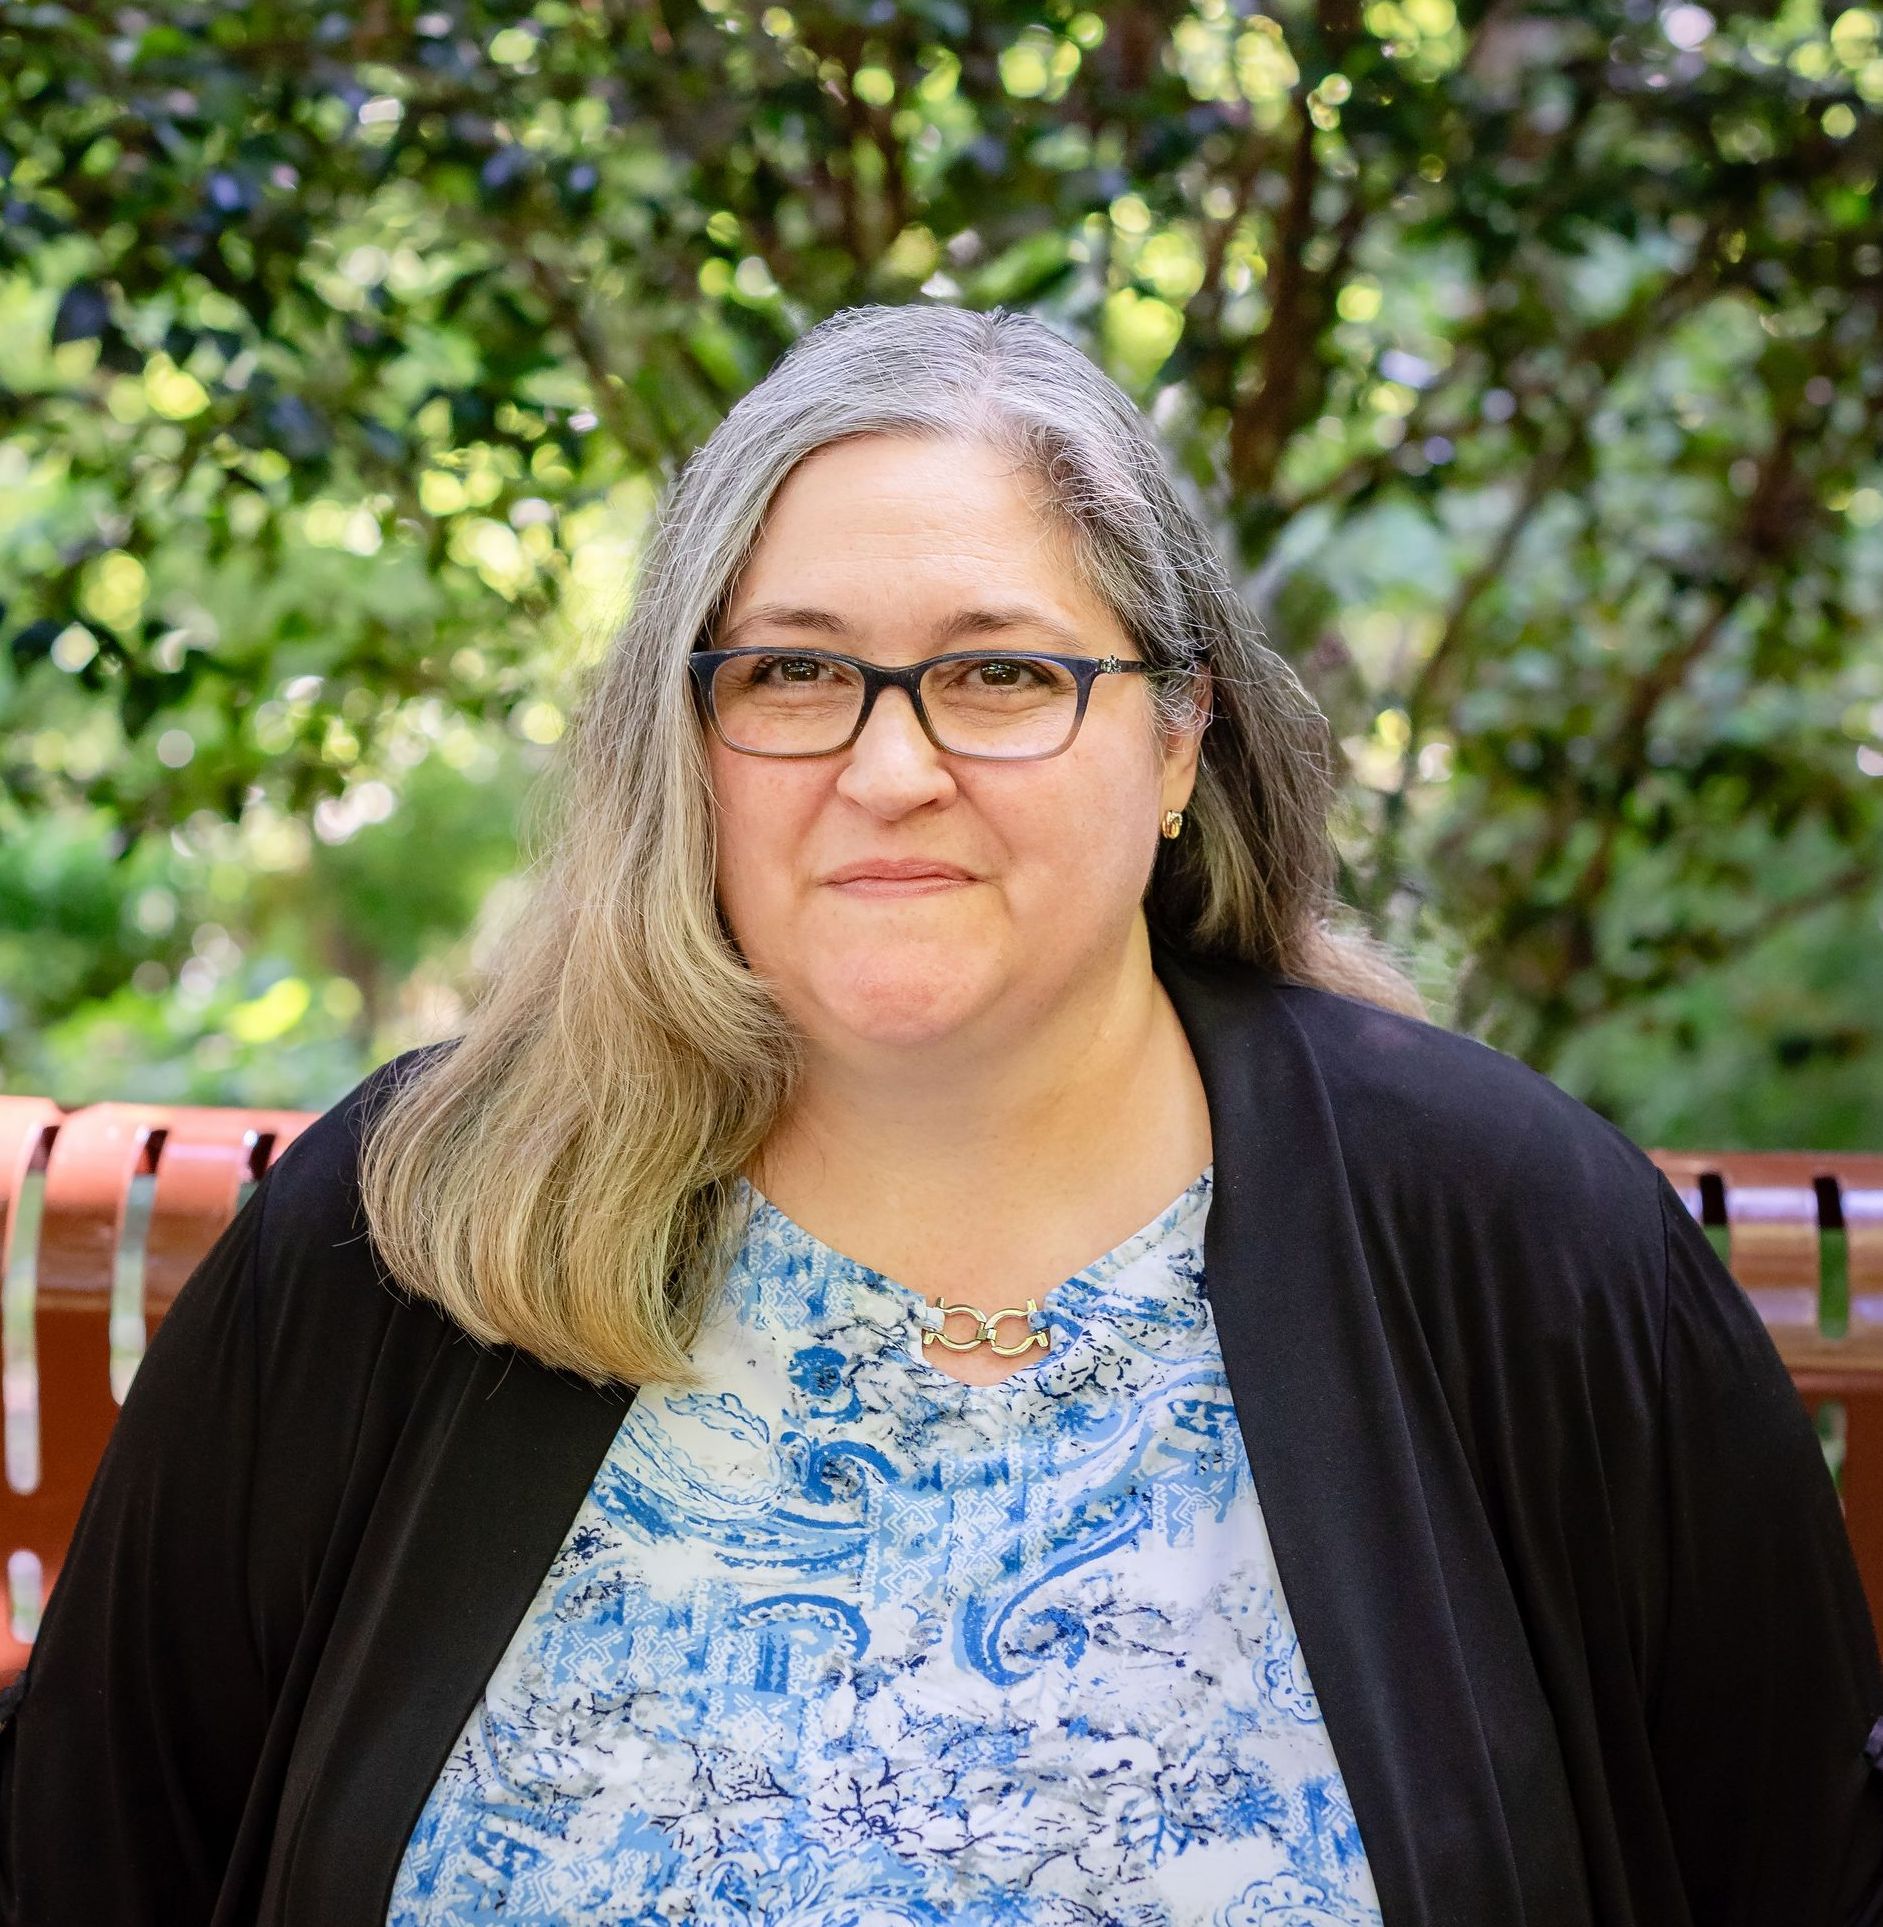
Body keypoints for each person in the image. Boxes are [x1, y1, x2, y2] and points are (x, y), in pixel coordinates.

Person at [1, 303, 1879, 1927]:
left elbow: (1793, 1861)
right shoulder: (416, 1227)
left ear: (1176, 739)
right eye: (798, 673)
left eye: (1000, 674)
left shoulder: (1512, 1242)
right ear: (694, 742)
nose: (890, 768)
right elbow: (90, 1863)